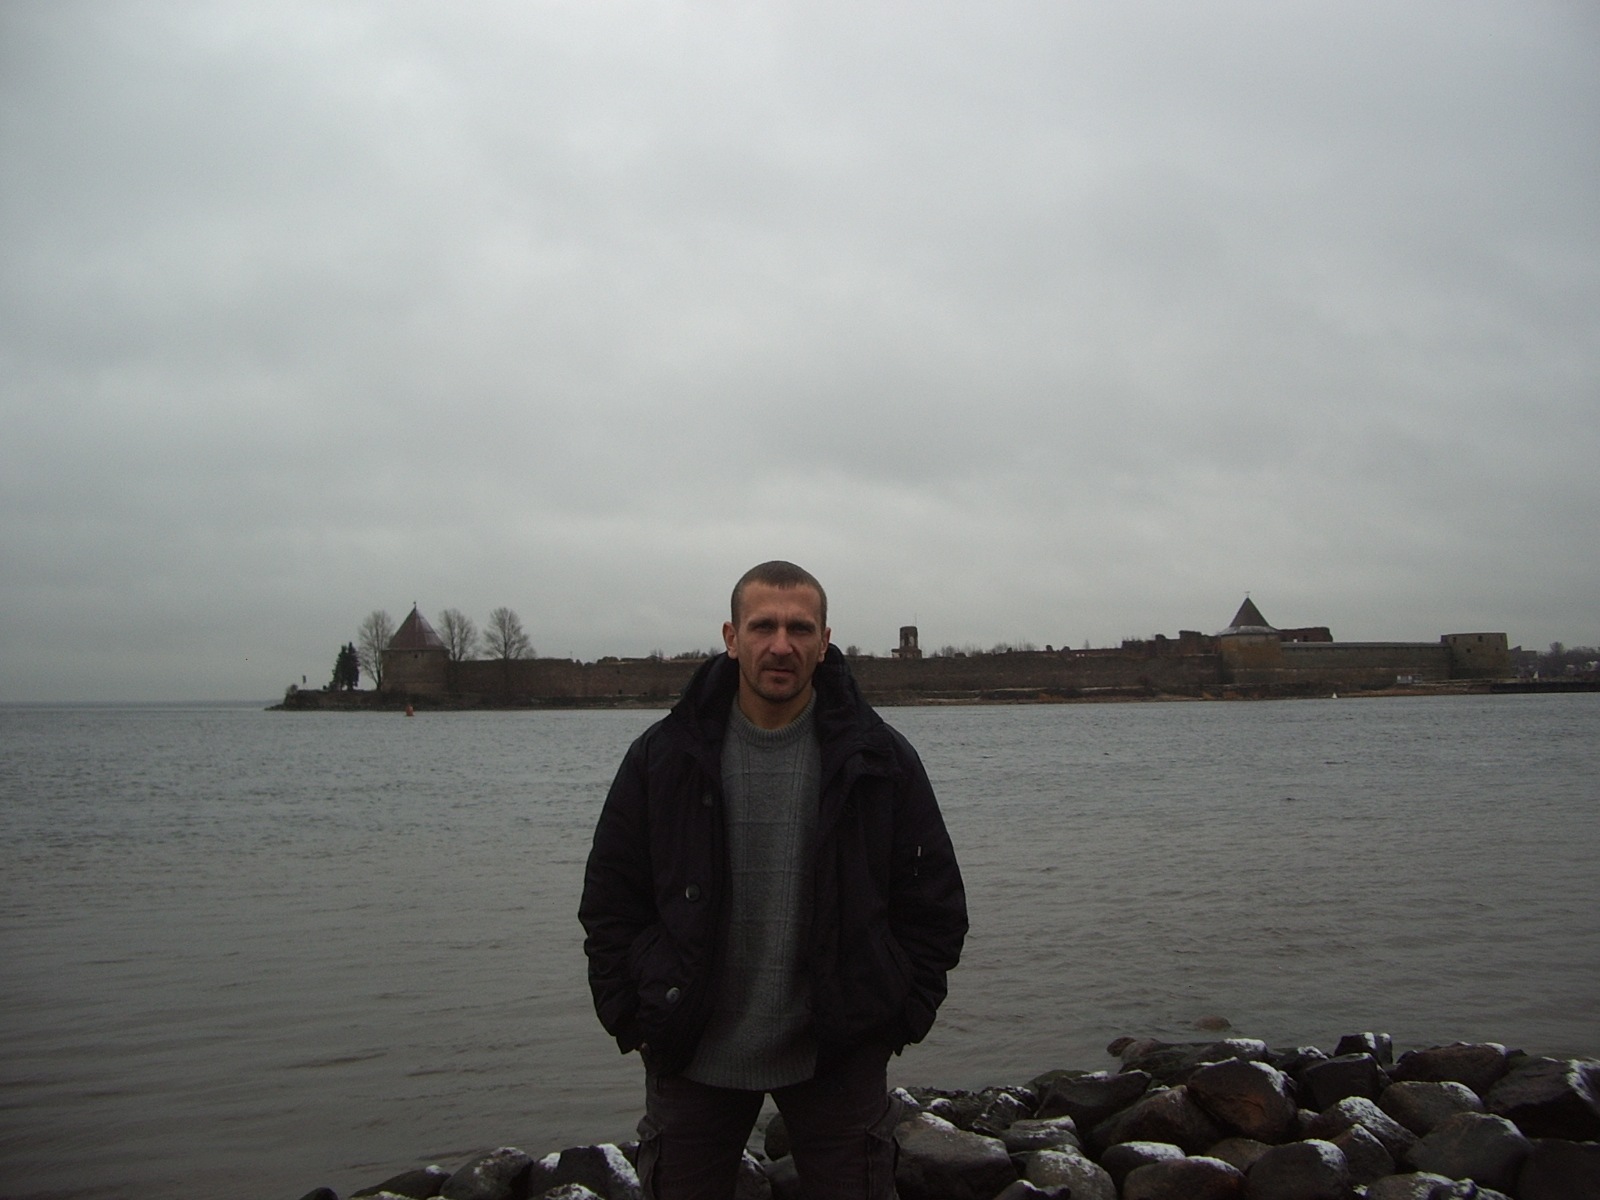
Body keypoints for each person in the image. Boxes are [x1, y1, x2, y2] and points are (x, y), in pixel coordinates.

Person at [579, 561, 968, 1199]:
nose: (781, 645)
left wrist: (894, 1016)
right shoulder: (664, 757)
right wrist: (635, 1018)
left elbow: (934, 905)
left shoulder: (880, 759)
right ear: (732, 637)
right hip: (692, 1049)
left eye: (799, 628)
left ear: (824, 641)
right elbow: (611, 900)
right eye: (763, 626)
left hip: (838, 1053)